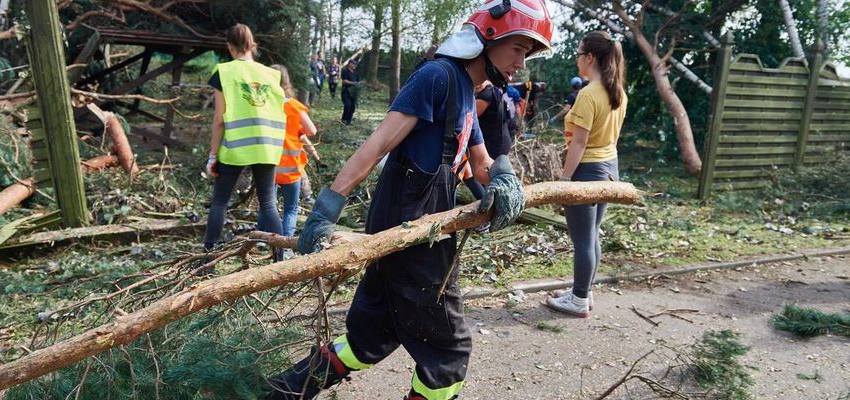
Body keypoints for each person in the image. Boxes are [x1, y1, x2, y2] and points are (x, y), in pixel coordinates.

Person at [264, 1, 552, 399]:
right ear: (487, 38)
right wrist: (325, 211)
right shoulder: (437, 77)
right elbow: (376, 145)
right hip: (415, 236)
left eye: (527, 53)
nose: (522, 62)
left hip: (414, 231)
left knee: (369, 340)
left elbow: (480, 161)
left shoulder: (469, 91)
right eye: (518, 48)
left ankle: (278, 392)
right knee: (448, 356)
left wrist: (505, 180)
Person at [545, 31, 627, 318]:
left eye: (579, 54)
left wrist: (565, 181)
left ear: (590, 57)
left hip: (587, 170)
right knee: (592, 235)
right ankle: (585, 290)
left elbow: (578, 144)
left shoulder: (588, 94)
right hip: (609, 168)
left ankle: (579, 299)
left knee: (582, 239)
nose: (577, 59)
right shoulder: (617, 91)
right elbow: (612, 140)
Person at [204, 24, 285, 260]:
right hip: (267, 147)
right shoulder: (272, 74)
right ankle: (280, 260)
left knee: (219, 202)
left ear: (230, 46)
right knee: (268, 204)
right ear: (253, 45)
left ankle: (208, 261)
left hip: (236, 147)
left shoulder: (224, 72)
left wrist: (212, 155)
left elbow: (219, 119)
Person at [270, 64, 317, 244]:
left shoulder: (263, 106)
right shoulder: (294, 106)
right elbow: (311, 130)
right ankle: (286, 244)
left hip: (268, 167)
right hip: (290, 168)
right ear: (286, 82)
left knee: (268, 207)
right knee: (291, 209)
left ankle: (263, 239)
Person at [340, 59, 360, 125]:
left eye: (355, 64)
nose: (355, 65)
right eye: (353, 64)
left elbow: (358, 82)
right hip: (346, 91)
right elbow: (344, 81)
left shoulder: (356, 73)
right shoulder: (345, 71)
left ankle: (348, 121)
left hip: (353, 93)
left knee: (352, 107)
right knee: (348, 105)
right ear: (349, 64)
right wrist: (353, 83)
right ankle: (344, 120)